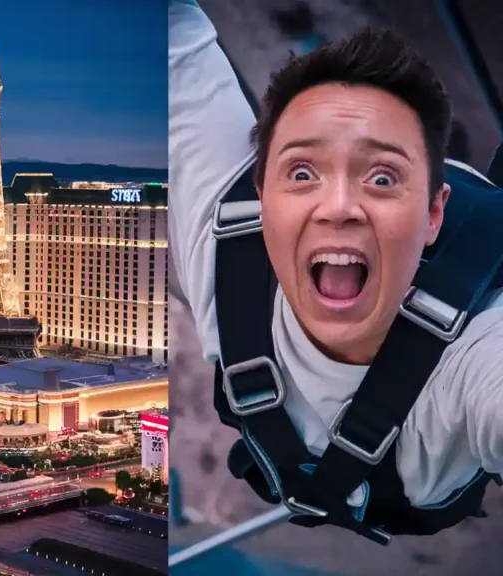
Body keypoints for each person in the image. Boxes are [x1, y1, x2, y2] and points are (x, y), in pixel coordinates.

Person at [169, 0, 503, 542]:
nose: (338, 206)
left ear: (433, 214)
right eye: (302, 172)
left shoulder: (480, 355)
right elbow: (174, 37)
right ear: (262, 200)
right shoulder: (223, 240)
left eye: (382, 178)